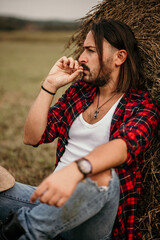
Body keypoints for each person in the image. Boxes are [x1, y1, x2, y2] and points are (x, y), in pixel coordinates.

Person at [0, 19, 159, 240]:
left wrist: (77, 170)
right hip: (54, 205)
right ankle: (33, 225)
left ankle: (24, 229)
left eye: (90, 51)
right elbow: (31, 136)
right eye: (83, 49)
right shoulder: (79, 92)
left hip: (94, 221)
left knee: (103, 174)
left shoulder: (142, 106)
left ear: (119, 57)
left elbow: (123, 148)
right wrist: (50, 85)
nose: (81, 57)